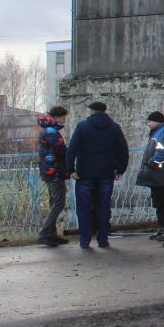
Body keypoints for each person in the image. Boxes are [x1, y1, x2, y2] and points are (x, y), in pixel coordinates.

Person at [65, 101, 129, 250]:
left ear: (91, 111)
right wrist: (120, 169)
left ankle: (85, 240)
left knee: (84, 207)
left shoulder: (82, 127)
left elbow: (72, 149)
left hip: (84, 173)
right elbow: (123, 151)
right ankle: (103, 239)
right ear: (105, 111)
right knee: (104, 207)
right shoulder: (114, 128)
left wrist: (71, 169)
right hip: (106, 173)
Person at [135, 111, 164, 241]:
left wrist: (153, 162)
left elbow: (163, 150)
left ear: (157, 121)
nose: (148, 123)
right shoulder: (158, 132)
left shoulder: (162, 133)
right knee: (158, 202)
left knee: (161, 203)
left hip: (160, 173)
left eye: (150, 121)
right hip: (157, 173)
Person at [36, 106, 70, 246]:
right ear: (56, 117)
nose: (64, 120)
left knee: (53, 202)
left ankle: (51, 234)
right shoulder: (51, 131)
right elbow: (61, 150)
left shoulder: (47, 128)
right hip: (54, 170)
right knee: (59, 203)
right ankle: (45, 233)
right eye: (63, 117)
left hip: (49, 169)